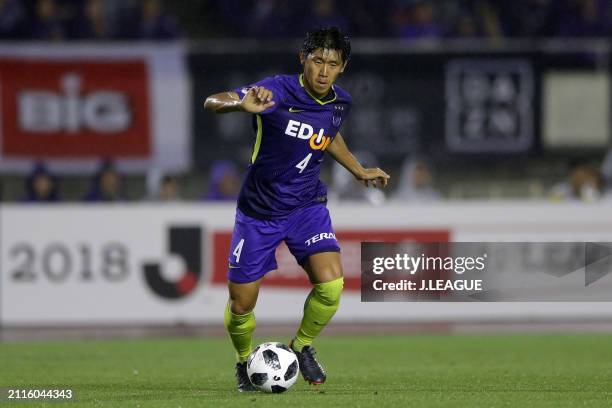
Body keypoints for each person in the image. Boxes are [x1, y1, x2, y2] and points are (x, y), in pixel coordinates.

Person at [203, 27, 390, 392]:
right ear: (302, 59)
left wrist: (358, 170)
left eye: (332, 64)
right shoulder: (275, 90)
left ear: (343, 67)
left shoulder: (340, 103)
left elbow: (328, 134)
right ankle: (244, 363)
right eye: (317, 60)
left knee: (332, 285)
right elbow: (212, 101)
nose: (324, 70)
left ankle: (301, 347)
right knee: (242, 303)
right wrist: (240, 104)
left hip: (306, 206)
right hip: (260, 210)